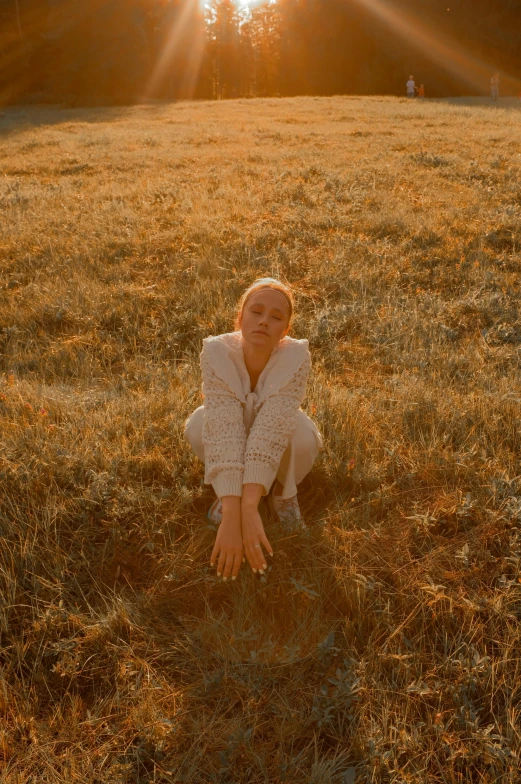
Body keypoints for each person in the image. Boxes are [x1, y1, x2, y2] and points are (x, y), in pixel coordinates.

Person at [184, 278, 322, 582]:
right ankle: (226, 492)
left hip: (276, 433)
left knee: (302, 435)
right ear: (240, 318)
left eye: (276, 317)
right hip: (231, 430)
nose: (264, 321)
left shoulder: (296, 357)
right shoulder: (216, 351)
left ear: (285, 330)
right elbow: (223, 425)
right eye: (256, 311)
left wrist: (250, 507)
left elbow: (272, 428)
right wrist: (234, 511)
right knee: (198, 423)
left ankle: (281, 495)